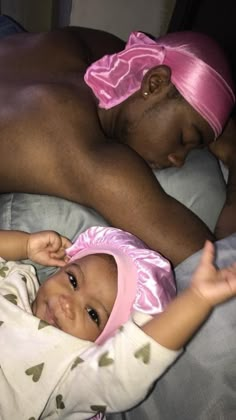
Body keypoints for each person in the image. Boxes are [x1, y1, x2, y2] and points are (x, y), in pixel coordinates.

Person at [0, 15, 235, 269]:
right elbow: (213, 267)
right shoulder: (80, 150)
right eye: (184, 139)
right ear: (154, 84)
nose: (178, 159)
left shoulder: (89, 46)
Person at [0, 225, 236, 419]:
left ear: (104, 344)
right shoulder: (16, 278)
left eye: (93, 314)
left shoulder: (72, 373)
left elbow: (126, 369)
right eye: (72, 279)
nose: (67, 302)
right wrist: (25, 245)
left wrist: (197, 299)